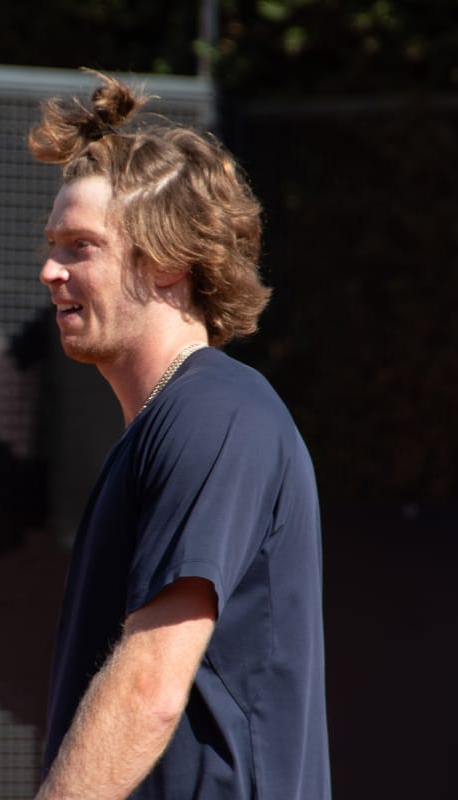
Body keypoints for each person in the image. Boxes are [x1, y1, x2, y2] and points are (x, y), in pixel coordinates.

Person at [28, 71, 331, 800]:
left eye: (80, 248)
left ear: (167, 261)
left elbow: (150, 686)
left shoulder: (215, 414)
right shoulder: (170, 422)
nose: (50, 270)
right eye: (52, 245)